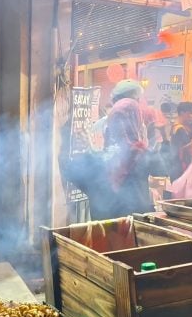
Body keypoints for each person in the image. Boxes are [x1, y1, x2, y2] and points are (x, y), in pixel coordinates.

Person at [60, 83, 154, 219]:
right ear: (137, 123)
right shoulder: (144, 156)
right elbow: (169, 168)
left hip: (104, 234)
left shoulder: (96, 160)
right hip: (136, 232)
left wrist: (78, 149)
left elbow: (69, 171)